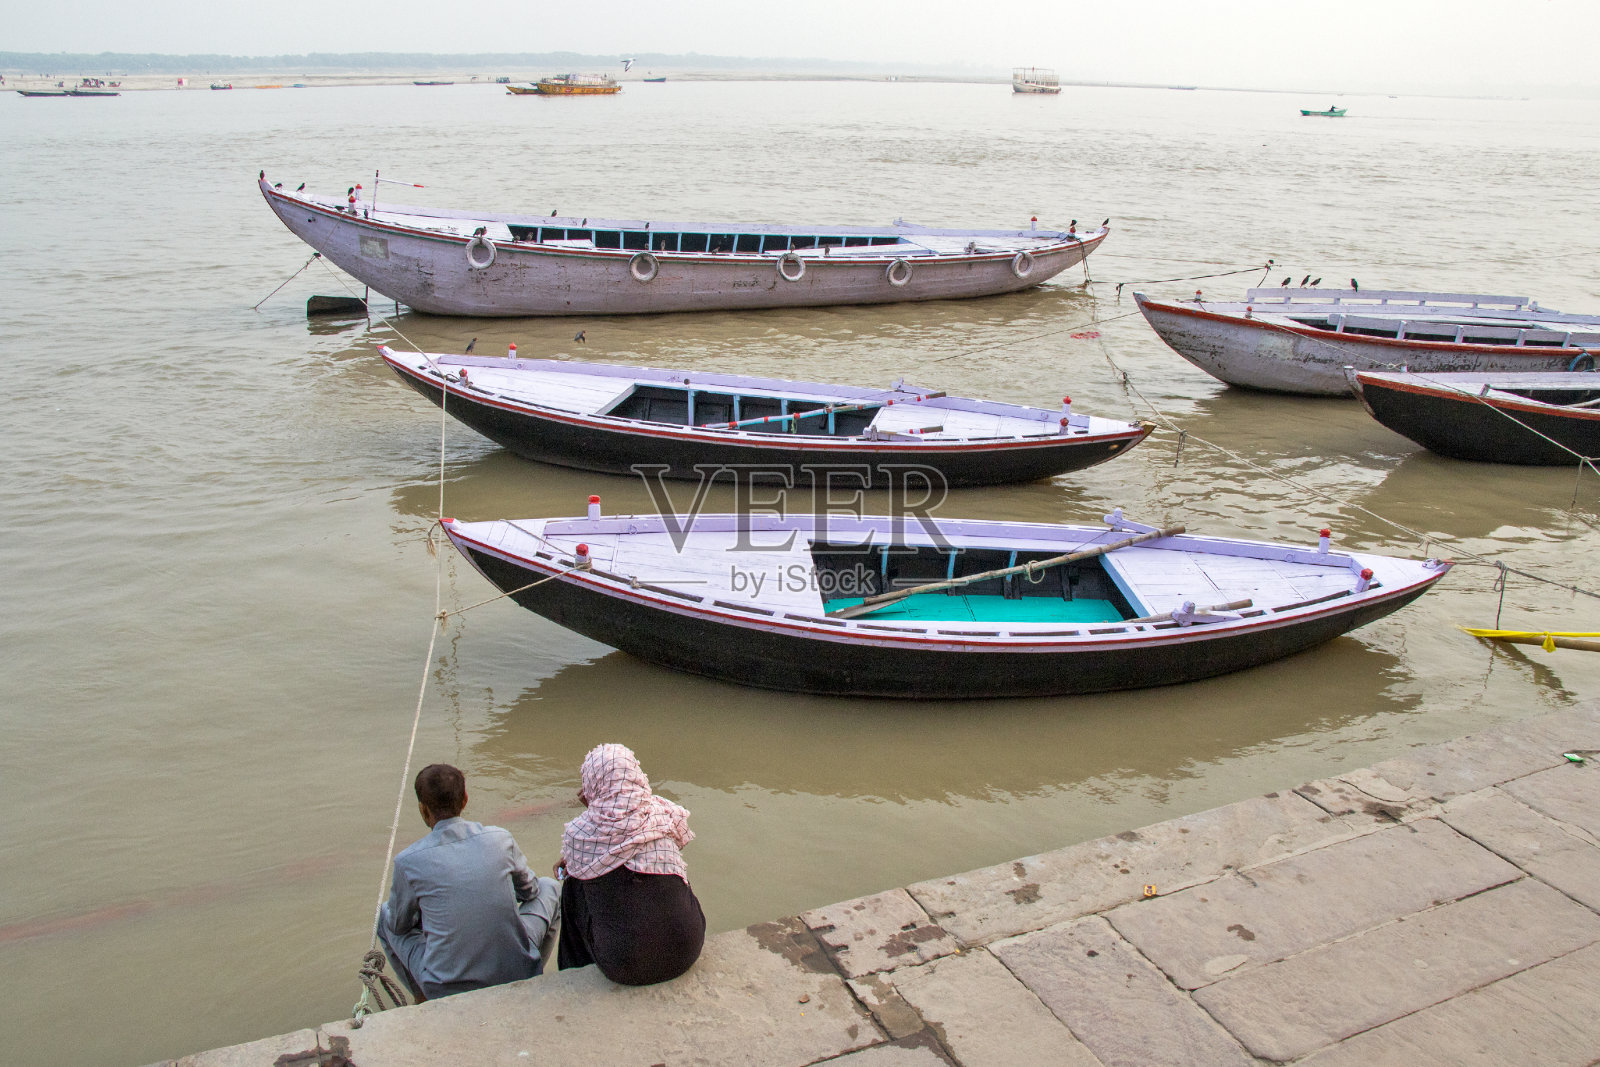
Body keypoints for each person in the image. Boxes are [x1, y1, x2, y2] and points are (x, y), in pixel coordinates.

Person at [378, 763, 560, 1002]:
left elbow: (400, 926)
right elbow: (531, 891)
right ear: (465, 800)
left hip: (444, 987)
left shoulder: (407, 861)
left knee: (384, 916)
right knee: (551, 887)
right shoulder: (499, 838)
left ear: (423, 810)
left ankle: (422, 998)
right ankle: (530, 971)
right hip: (514, 971)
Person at [555, 744, 705, 985]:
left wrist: (592, 811)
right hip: (688, 949)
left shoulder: (579, 834)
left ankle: (573, 968)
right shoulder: (664, 812)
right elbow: (630, 839)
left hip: (625, 967)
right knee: (671, 866)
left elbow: (603, 849)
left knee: (572, 884)